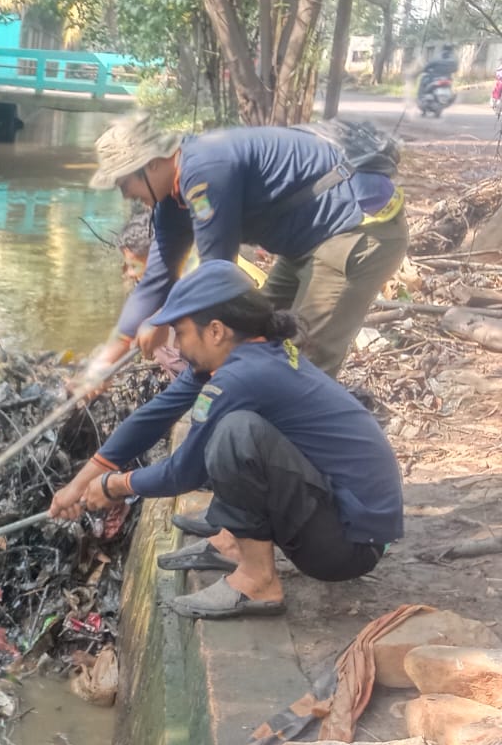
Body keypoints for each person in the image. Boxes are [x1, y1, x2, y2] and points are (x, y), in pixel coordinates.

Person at [50, 260, 403, 621]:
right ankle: (233, 542)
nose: (176, 344)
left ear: (215, 330)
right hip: (351, 523)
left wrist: (113, 486)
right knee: (229, 427)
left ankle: (257, 580)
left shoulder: (240, 377)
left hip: (347, 547)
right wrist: (79, 485)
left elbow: (181, 474)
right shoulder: (252, 351)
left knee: (233, 433)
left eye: (180, 332)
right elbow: (153, 415)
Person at [79, 113, 406, 382]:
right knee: (248, 334)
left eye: (124, 183)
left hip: (356, 232)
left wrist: (162, 319)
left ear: (151, 164)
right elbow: (157, 278)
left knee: (303, 363)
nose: (124, 195)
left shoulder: (204, 171)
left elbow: (216, 273)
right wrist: (105, 361)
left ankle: (292, 450)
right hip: (308, 243)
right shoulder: (171, 200)